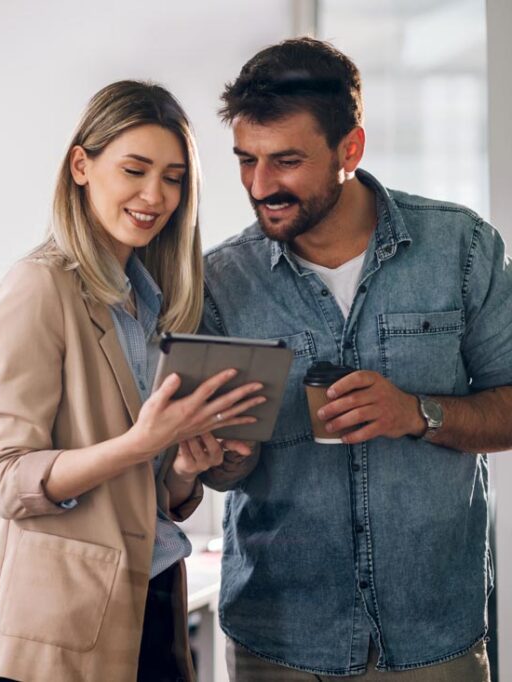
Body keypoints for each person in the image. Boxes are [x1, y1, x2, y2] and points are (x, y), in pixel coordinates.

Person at [200, 37, 512, 680]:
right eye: (246, 160)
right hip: (279, 639)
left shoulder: (462, 249)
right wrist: (222, 458)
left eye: (286, 161)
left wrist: (415, 412)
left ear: (351, 149)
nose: (261, 186)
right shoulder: (219, 281)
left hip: (434, 637)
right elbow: (221, 476)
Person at [0, 80, 265, 682]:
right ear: (82, 165)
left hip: (151, 594)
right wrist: (141, 443)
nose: (156, 195)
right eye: (135, 170)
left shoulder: (153, 305)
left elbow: (148, 494)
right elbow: (6, 480)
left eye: (174, 178)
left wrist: (182, 467)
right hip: (59, 625)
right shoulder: (37, 288)